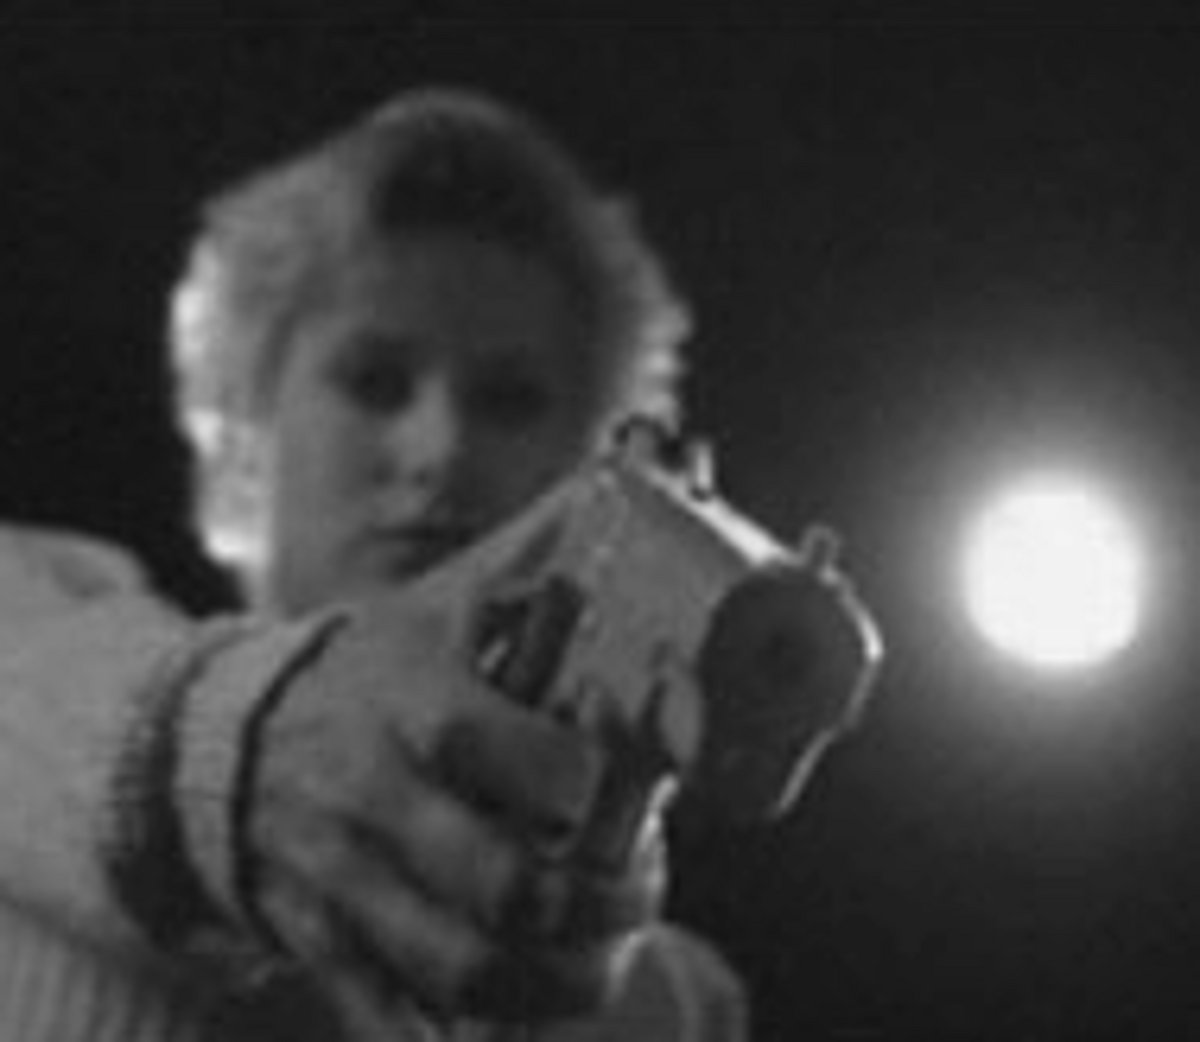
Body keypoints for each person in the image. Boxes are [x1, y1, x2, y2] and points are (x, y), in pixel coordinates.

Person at [0, 86, 754, 1040]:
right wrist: (220, 761)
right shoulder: (27, 622)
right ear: (243, 438)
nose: (439, 450)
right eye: (374, 381)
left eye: (509, 400)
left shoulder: (673, 1009)